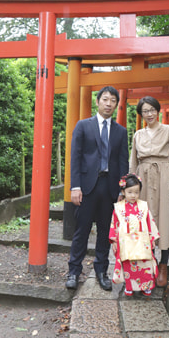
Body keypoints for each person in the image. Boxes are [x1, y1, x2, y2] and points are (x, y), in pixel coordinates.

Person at [66, 86, 129, 291]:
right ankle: (74, 272)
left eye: (113, 100)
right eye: (105, 99)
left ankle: (101, 272)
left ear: (116, 105)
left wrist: (122, 191)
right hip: (86, 187)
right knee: (81, 231)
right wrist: (75, 186)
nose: (109, 103)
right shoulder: (83, 126)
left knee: (104, 232)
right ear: (98, 101)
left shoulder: (121, 132)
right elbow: (75, 158)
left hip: (110, 188)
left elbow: (123, 163)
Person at [130, 96, 169, 288]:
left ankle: (163, 265)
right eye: (145, 111)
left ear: (158, 110)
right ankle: (149, 262)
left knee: (165, 221)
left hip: (164, 176)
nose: (149, 114)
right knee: (145, 222)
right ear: (141, 114)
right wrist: (130, 187)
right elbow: (133, 163)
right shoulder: (138, 135)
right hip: (144, 178)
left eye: (152, 109)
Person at [109, 173, 159, 296]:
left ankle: (146, 285)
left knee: (144, 263)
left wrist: (152, 237)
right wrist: (114, 241)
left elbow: (149, 222)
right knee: (129, 264)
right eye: (130, 192)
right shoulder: (118, 208)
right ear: (123, 191)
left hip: (142, 240)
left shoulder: (143, 206)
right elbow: (114, 225)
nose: (133, 195)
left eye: (136, 192)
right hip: (126, 242)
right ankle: (130, 286)